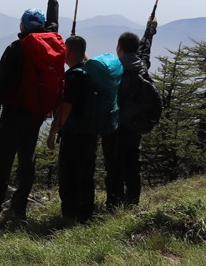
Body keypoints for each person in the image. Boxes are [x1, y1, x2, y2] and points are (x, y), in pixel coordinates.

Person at [0, 0, 63, 226]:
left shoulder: (18, 48)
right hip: (38, 113)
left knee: (2, 163)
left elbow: (0, 83)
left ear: (24, 25)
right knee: (27, 160)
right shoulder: (51, 43)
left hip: (14, 112)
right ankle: (19, 209)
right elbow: (54, 22)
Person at [102, 20, 156, 210]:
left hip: (115, 128)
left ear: (119, 48)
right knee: (133, 166)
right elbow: (145, 51)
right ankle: (132, 204)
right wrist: (149, 32)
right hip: (134, 126)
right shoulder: (142, 67)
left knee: (114, 167)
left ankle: (113, 205)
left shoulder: (114, 69)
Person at [47, 35, 97, 223]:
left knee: (69, 177)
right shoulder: (90, 72)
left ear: (67, 51)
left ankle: (69, 217)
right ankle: (86, 215)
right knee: (86, 175)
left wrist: (53, 132)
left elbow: (65, 109)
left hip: (74, 135)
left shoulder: (73, 77)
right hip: (90, 133)